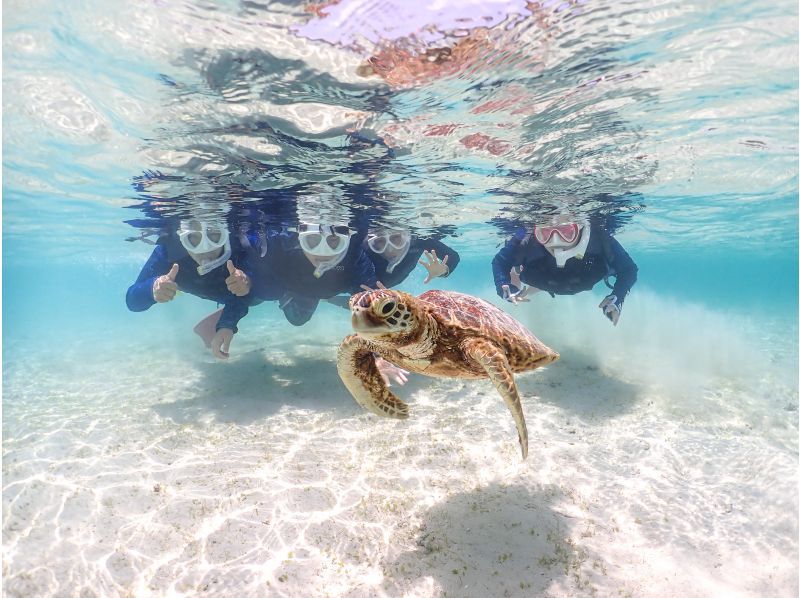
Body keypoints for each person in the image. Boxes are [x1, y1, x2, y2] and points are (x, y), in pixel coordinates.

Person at [126, 218, 253, 358]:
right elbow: (132, 302)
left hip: (241, 294)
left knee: (260, 293)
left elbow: (250, 292)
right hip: (221, 292)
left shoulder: (239, 249)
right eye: (192, 238)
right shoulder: (167, 254)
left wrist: (228, 322)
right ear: (181, 237)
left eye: (214, 235)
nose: (205, 249)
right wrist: (152, 288)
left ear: (226, 234)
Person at [492, 217, 638, 325]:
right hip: (539, 276)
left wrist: (618, 296)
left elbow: (629, 270)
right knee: (517, 268)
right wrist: (503, 284)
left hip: (553, 278)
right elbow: (499, 262)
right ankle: (522, 282)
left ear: (581, 228)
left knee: (532, 277)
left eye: (567, 231)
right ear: (537, 231)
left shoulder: (599, 237)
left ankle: (528, 286)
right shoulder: (525, 236)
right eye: (546, 232)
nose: (555, 241)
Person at [244, 221, 378, 326]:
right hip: (299, 290)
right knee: (296, 319)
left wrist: (376, 308)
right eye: (312, 240)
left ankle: (325, 297)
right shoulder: (286, 247)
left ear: (346, 241)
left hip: (319, 290)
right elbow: (265, 275)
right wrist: (249, 283)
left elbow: (369, 292)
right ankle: (287, 296)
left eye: (333, 241)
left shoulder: (354, 255)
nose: (322, 253)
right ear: (300, 239)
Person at [364, 227, 460, 287]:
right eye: (380, 241)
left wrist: (443, 271)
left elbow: (453, 257)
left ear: (406, 236)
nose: (390, 249)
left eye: (396, 238)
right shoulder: (362, 247)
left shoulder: (419, 240)